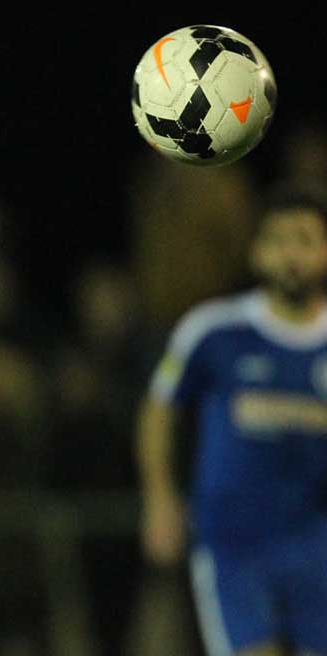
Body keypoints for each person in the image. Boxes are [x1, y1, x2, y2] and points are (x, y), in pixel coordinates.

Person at [136, 185, 327, 656]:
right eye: (278, 241)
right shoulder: (213, 331)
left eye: (304, 240)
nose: (290, 255)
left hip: (316, 542)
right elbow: (159, 410)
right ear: (257, 252)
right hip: (232, 545)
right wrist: (160, 496)